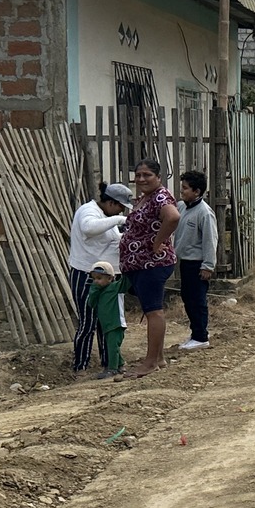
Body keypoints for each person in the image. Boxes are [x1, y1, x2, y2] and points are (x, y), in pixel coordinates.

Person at [119, 159, 182, 377]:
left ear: (158, 177)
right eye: (138, 175)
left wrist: (157, 242)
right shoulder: (146, 198)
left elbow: (173, 217)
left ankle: (150, 363)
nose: (141, 179)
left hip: (152, 263)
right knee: (151, 310)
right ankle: (159, 358)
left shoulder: (160, 197)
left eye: (147, 175)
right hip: (142, 264)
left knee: (153, 311)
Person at [68, 181, 131, 373]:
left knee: (108, 323)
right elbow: (89, 228)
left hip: (109, 278)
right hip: (88, 276)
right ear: (111, 203)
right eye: (120, 207)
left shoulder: (106, 216)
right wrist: (120, 220)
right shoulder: (88, 211)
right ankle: (81, 367)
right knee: (88, 323)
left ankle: (109, 363)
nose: (121, 212)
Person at [174, 169, 219, 351]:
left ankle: (201, 337)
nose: (182, 191)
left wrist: (207, 266)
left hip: (197, 264)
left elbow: (210, 240)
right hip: (185, 262)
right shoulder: (181, 207)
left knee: (197, 300)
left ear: (197, 191)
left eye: (185, 188)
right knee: (188, 298)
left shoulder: (205, 213)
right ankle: (196, 333)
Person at [87, 260, 128, 377]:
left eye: (99, 278)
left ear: (110, 278)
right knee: (113, 346)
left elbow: (127, 281)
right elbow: (91, 303)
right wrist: (94, 290)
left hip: (116, 323)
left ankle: (112, 369)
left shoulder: (116, 287)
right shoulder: (98, 291)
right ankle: (121, 365)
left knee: (112, 347)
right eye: (94, 278)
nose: (96, 281)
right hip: (106, 325)